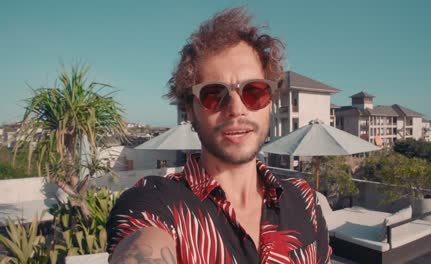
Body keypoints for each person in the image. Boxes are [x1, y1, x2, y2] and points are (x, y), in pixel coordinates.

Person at [106, 7, 332, 264]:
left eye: (254, 91)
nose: (236, 109)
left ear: (270, 101)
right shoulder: (154, 202)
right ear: (189, 110)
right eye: (214, 94)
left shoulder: (304, 200)